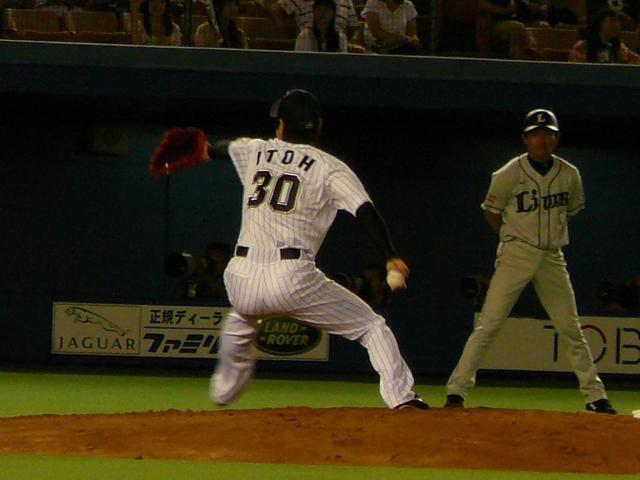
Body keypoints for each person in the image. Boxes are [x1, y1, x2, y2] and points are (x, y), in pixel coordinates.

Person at [208, 89, 427, 410]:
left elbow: (223, 148)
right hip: (292, 277)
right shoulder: (329, 167)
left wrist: (204, 149)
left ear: (281, 126)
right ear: (319, 126)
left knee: (242, 318)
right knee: (371, 327)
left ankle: (222, 395)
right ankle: (401, 398)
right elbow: (365, 210)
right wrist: (390, 256)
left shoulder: (256, 150)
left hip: (241, 276)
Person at [444, 109, 617, 415]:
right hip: (517, 254)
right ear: (525, 139)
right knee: (489, 324)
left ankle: (595, 396)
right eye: (536, 134)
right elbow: (491, 211)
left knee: (570, 328)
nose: (542, 139)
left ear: (556, 138)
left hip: (552, 256)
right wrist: (511, 238)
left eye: (548, 133)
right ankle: (456, 391)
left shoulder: (569, 174)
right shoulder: (508, 173)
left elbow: (571, 210)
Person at [270, 0, 365, 52]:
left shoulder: (346, 1)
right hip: (307, 41)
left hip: (338, 43)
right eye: (319, 10)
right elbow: (275, 9)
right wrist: (284, 30)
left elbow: (354, 27)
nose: (322, 13)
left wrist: (350, 46)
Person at [477, 0, 549, 58]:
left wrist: (536, 8)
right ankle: (516, 60)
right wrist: (504, 11)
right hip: (496, 21)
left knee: (544, 26)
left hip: (523, 18)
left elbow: (543, 6)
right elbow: (482, 4)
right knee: (517, 27)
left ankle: (541, 61)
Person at [569, 8, 640, 63]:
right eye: (612, 21)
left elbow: (636, 60)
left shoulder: (620, 48)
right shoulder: (583, 47)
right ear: (600, 23)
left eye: (618, 22)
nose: (616, 26)